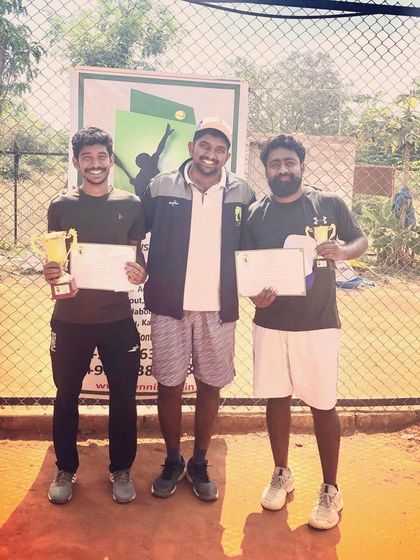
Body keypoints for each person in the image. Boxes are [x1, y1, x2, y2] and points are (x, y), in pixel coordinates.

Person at [243, 134, 368, 529]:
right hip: (271, 322)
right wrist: (254, 296)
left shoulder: (328, 203)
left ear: (301, 165)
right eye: (275, 164)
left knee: (322, 403)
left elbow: (360, 239)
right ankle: (282, 472)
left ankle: (331, 488)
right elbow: (247, 267)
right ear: (266, 170)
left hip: (318, 322)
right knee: (276, 398)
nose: (283, 169)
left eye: (289, 162)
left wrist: (343, 252)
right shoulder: (255, 214)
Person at [142, 117, 255, 501]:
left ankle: (199, 461)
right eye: (205, 146)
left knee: (210, 384)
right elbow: (133, 231)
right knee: (169, 385)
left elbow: (252, 247)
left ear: (227, 155)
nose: (211, 155)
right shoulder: (161, 185)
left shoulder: (242, 192)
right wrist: (134, 263)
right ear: (192, 148)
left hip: (218, 310)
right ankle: (173, 459)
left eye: (220, 149)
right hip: (169, 306)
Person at [43, 127, 147, 505]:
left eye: (101, 156)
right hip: (70, 319)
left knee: (124, 397)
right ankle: (65, 468)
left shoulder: (131, 204)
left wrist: (141, 273)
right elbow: (56, 261)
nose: (95, 164)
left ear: (111, 160)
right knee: (66, 395)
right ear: (76, 162)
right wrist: (51, 274)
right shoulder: (61, 206)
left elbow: (137, 257)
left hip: (117, 320)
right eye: (87, 157)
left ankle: (121, 469)